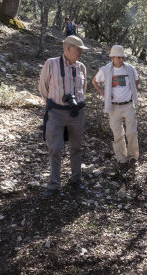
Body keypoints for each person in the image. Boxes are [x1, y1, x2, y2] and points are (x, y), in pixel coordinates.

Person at [39, 35, 89, 198]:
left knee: (76, 147)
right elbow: (43, 88)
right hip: (56, 113)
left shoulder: (81, 67)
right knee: (55, 149)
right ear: (68, 48)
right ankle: (53, 185)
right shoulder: (51, 63)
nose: (81, 52)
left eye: (82, 49)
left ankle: (76, 180)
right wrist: (55, 104)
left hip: (77, 113)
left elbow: (84, 88)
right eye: (78, 49)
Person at [92, 45, 140, 171]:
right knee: (117, 135)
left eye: (122, 57)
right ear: (112, 57)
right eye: (118, 57)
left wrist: (132, 90)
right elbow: (94, 81)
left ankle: (133, 157)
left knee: (132, 132)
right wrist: (103, 93)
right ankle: (122, 160)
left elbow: (137, 80)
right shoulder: (105, 70)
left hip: (129, 105)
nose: (121, 59)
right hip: (114, 107)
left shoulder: (130, 68)